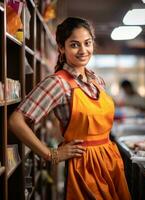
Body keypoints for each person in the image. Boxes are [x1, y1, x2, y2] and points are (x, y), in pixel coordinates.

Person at [9, 17, 131, 200]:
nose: (83, 50)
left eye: (87, 43)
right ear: (61, 47)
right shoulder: (57, 83)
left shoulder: (97, 80)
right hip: (85, 167)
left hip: (110, 160)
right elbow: (16, 121)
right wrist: (50, 154)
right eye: (74, 45)